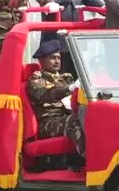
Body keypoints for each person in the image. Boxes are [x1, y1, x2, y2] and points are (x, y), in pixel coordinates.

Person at [25, 39, 82, 171]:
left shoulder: (66, 78)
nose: (57, 61)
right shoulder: (36, 80)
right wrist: (70, 88)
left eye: (58, 58)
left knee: (92, 117)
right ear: (41, 61)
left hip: (67, 116)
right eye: (52, 58)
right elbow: (47, 94)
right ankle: (87, 160)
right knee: (75, 121)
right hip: (48, 123)